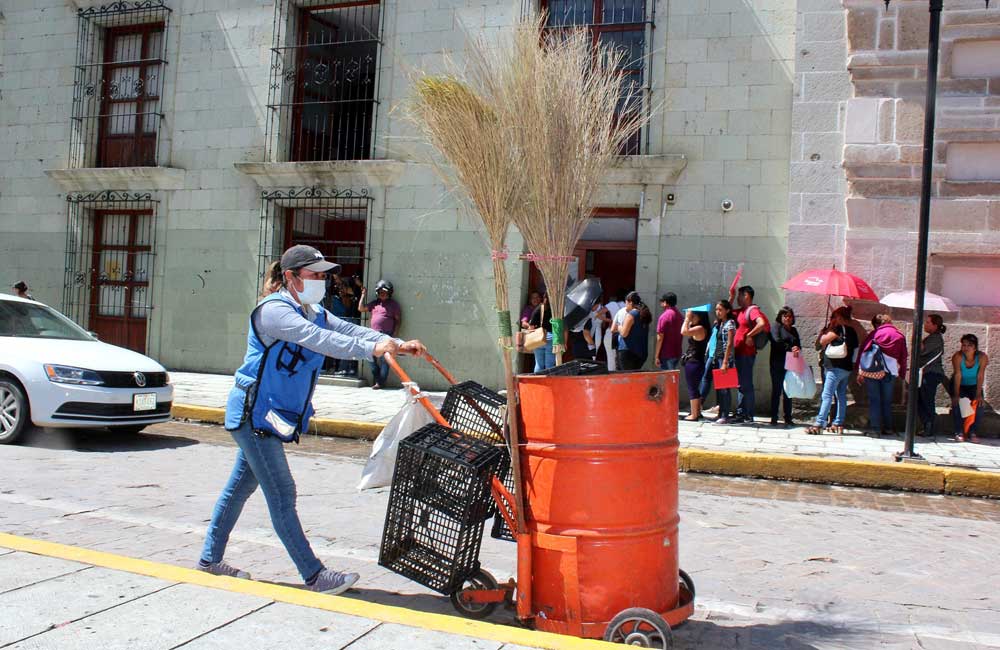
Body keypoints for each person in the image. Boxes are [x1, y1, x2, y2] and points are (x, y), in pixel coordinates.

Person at [199, 244, 425, 594]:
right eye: (314, 274)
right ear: (290, 277)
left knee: (239, 487)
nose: (322, 280)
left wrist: (393, 343)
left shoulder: (312, 309)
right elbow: (319, 340)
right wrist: (371, 350)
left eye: (323, 274)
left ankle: (210, 561)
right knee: (282, 493)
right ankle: (314, 575)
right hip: (254, 413)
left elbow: (350, 331)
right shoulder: (275, 311)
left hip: (273, 415)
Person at [807, 306, 859, 435]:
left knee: (827, 395)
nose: (833, 319)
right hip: (846, 369)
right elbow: (856, 350)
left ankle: (819, 423)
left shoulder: (836, 330)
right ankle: (838, 423)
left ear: (840, 317)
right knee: (841, 395)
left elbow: (821, 342)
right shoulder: (852, 331)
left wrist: (826, 330)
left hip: (834, 368)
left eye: (834, 317)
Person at [857, 314, 907, 436]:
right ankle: (888, 428)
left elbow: (864, 352)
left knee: (875, 400)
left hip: (873, 372)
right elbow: (904, 356)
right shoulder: (899, 336)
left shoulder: (875, 335)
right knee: (887, 401)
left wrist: (860, 371)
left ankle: (875, 429)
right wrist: (902, 373)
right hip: (890, 373)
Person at [729, 284, 767, 424]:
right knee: (741, 384)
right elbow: (726, 312)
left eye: (739, 296)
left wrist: (749, 335)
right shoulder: (741, 311)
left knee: (746, 384)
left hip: (746, 353)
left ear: (746, 295)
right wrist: (731, 297)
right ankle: (741, 412)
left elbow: (761, 323)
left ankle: (748, 414)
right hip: (740, 353)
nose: (738, 299)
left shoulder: (752, 310)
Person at [359, 279, 402, 389]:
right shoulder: (375, 303)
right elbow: (361, 308)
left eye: (384, 292)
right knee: (370, 358)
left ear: (389, 293)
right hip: (372, 335)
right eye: (380, 292)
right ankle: (378, 378)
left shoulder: (394, 305)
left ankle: (380, 383)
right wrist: (363, 295)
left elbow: (398, 321)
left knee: (384, 360)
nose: (382, 294)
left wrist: (394, 336)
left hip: (386, 335)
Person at [949, 333, 989, 443]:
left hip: (974, 385)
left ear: (975, 347)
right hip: (960, 384)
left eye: (969, 345)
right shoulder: (958, 357)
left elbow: (980, 375)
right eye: (963, 345)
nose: (965, 348)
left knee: (979, 406)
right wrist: (956, 394)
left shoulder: (982, 357)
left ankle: (972, 432)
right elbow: (958, 375)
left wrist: (978, 394)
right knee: (961, 404)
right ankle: (959, 432)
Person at [769, 306, 801, 427]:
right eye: (785, 316)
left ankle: (788, 417)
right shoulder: (776, 327)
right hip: (777, 363)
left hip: (790, 364)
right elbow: (776, 342)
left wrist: (797, 348)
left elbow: (799, 344)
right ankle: (774, 417)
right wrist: (790, 348)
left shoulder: (793, 330)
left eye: (789, 316)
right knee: (777, 390)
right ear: (780, 317)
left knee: (789, 390)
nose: (787, 318)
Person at [917, 314, 947, 437]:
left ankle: (929, 425)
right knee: (921, 399)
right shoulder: (932, 338)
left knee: (927, 399)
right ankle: (926, 424)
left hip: (930, 373)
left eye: (928, 322)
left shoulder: (935, 339)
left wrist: (917, 337)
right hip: (926, 373)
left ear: (935, 325)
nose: (925, 324)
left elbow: (921, 351)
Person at [708, 300, 737, 425]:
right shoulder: (720, 323)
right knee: (719, 388)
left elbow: (730, 343)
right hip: (718, 357)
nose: (717, 312)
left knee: (725, 388)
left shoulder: (730, 323)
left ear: (727, 310)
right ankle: (720, 413)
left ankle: (725, 415)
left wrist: (725, 361)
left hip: (725, 359)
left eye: (720, 309)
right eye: (716, 309)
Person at [680, 309, 711, 421]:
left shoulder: (700, 328)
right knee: (694, 388)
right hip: (696, 361)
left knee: (692, 388)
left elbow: (683, 331)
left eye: (694, 316)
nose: (691, 318)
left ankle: (694, 414)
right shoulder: (702, 328)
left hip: (694, 362)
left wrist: (687, 318)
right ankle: (697, 412)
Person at [613, 291, 652, 371]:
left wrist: (619, 326)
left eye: (626, 303)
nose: (625, 305)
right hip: (641, 352)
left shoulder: (631, 314)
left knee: (626, 378)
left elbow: (624, 333)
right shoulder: (644, 314)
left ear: (630, 302)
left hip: (628, 352)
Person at [654, 292, 683, 371]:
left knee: (666, 380)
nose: (660, 304)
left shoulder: (664, 316)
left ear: (665, 303)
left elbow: (660, 338)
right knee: (672, 378)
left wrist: (656, 356)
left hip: (666, 354)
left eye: (662, 301)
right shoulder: (680, 315)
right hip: (677, 352)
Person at [528, 292, 555, 372]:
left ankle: (537, 382)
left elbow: (531, 327)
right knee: (549, 365)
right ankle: (548, 383)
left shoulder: (539, 308)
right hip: (551, 338)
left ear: (544, 297)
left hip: (538, 339)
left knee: (539, 364)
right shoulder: (557, 309)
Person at [601, 294, 624, 372]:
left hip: (611, 332)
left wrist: (609, 320)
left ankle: (611, 374)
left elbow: (598, 314)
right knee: (618, 358)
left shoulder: (611, 304)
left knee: (610, 357)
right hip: (621, 333)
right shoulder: (625, 306)